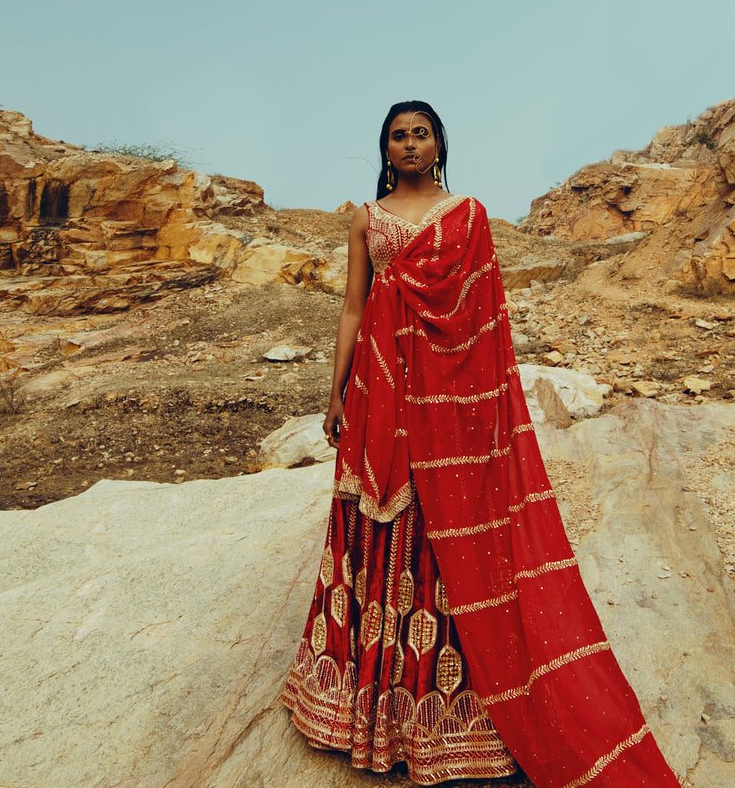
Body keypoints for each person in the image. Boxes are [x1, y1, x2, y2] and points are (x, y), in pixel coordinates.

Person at [282, 102, 691, 787]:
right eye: (397, 135)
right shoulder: (365, 219)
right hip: (379, 394)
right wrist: (335, 395)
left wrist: (481, 412)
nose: (409, 143)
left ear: (439, 142)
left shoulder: (466, 215)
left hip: (449, 403)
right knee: (379, 528)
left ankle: (458, 714)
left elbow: (481, 317)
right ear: (383, 149)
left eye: (420, 133)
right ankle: (370, 707)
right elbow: (354, 306)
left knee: (445, 540)